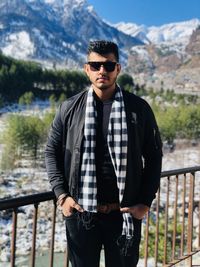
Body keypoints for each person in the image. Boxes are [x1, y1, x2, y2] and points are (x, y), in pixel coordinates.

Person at [45, 40, 162, 267]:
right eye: (95, 65)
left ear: (118, 68)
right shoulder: (69, 108)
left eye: (109, 66)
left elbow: (155, 156)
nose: (102, 71)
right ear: (86, 69)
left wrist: (145, 202)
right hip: (80, 214)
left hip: (124, 214)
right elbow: (51, 151)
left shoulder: (139, 108)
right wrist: (62, 195)